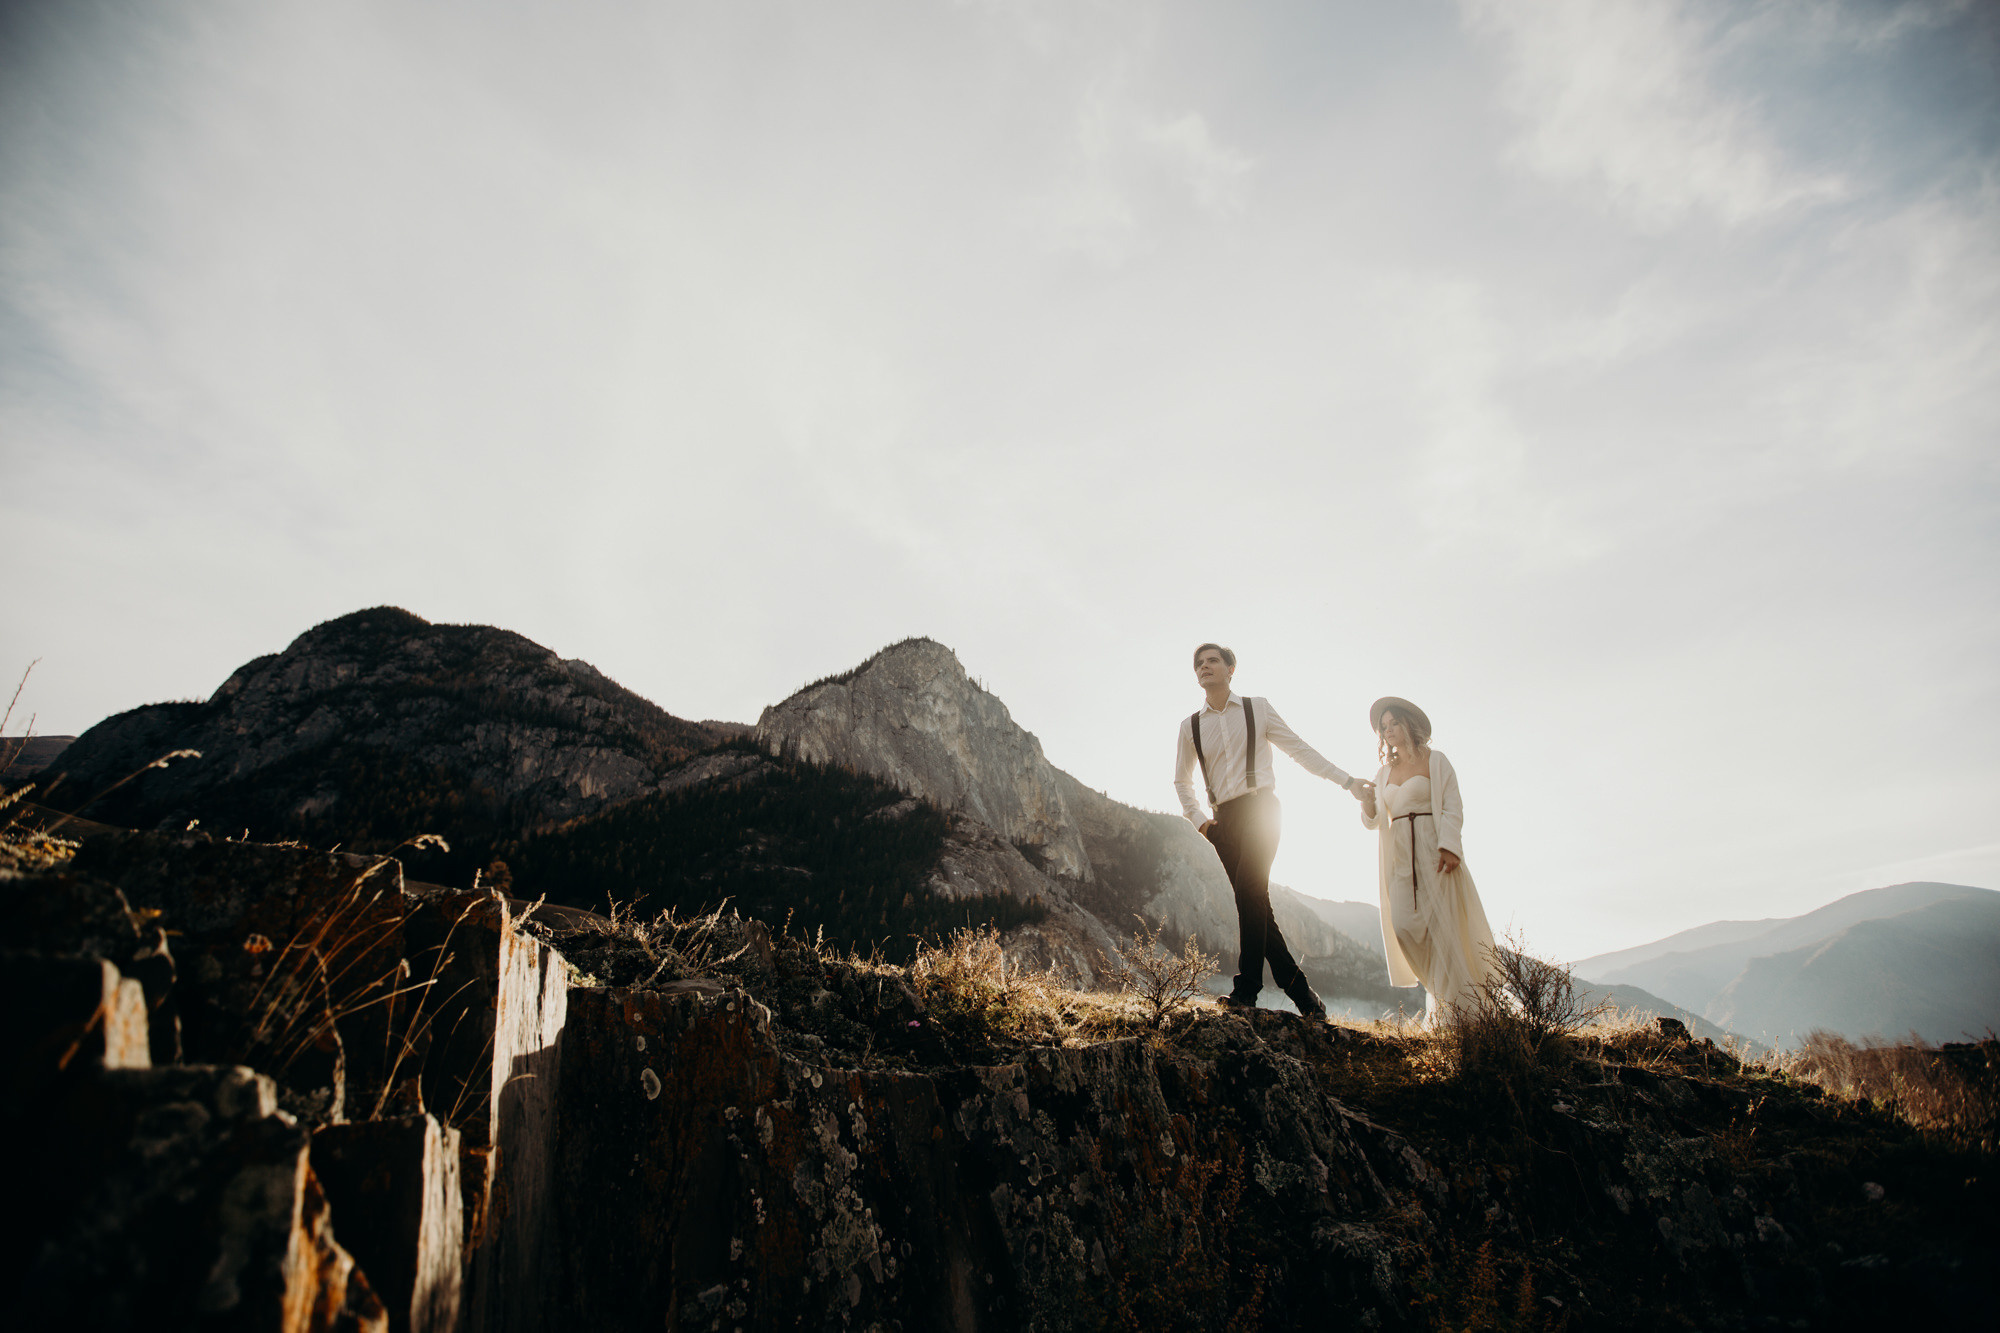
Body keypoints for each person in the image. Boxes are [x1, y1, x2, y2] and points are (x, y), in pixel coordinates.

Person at [1173, 643, 1374, 1017]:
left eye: (1213, 660)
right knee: (1256, 904)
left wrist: (1348, 782)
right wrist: (1201, 823)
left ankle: (1246, 990)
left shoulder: (1257, 708)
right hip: (1223, 823)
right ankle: (1304, 998)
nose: (1204, 667)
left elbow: (1299, 749)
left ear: (1231, 668)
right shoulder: (1190, 727)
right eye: (1199, 663)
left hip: (1262, 810)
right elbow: (1182, 782)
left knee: (1249, 892)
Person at [1359, 697, 1499, 1026]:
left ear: (1409, 724)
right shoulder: (1383, 773)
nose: (1388, 730)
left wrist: (1450, 846)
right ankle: (1444, 996)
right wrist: (1366, 803)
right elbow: (1374, 820)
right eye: (1383, 727)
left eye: (1393, 723)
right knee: (1405, 926)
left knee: (1446, 931)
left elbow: (1452, 805)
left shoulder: (1436, 762)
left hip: (1434, 850)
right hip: (1399, 857)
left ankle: (1463, 1014)